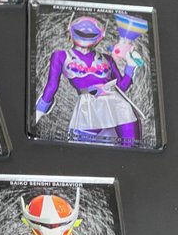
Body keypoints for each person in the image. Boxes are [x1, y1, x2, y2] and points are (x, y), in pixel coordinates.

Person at [34, 15, 141, 146]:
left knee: (131, 149)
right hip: (88, 107)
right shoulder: (61, 55)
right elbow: (52, 86)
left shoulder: (107, 58)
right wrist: (38, 113)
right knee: (80, 151)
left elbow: (121, 87)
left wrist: (130, 65)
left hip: (119, 107)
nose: (86, 29)